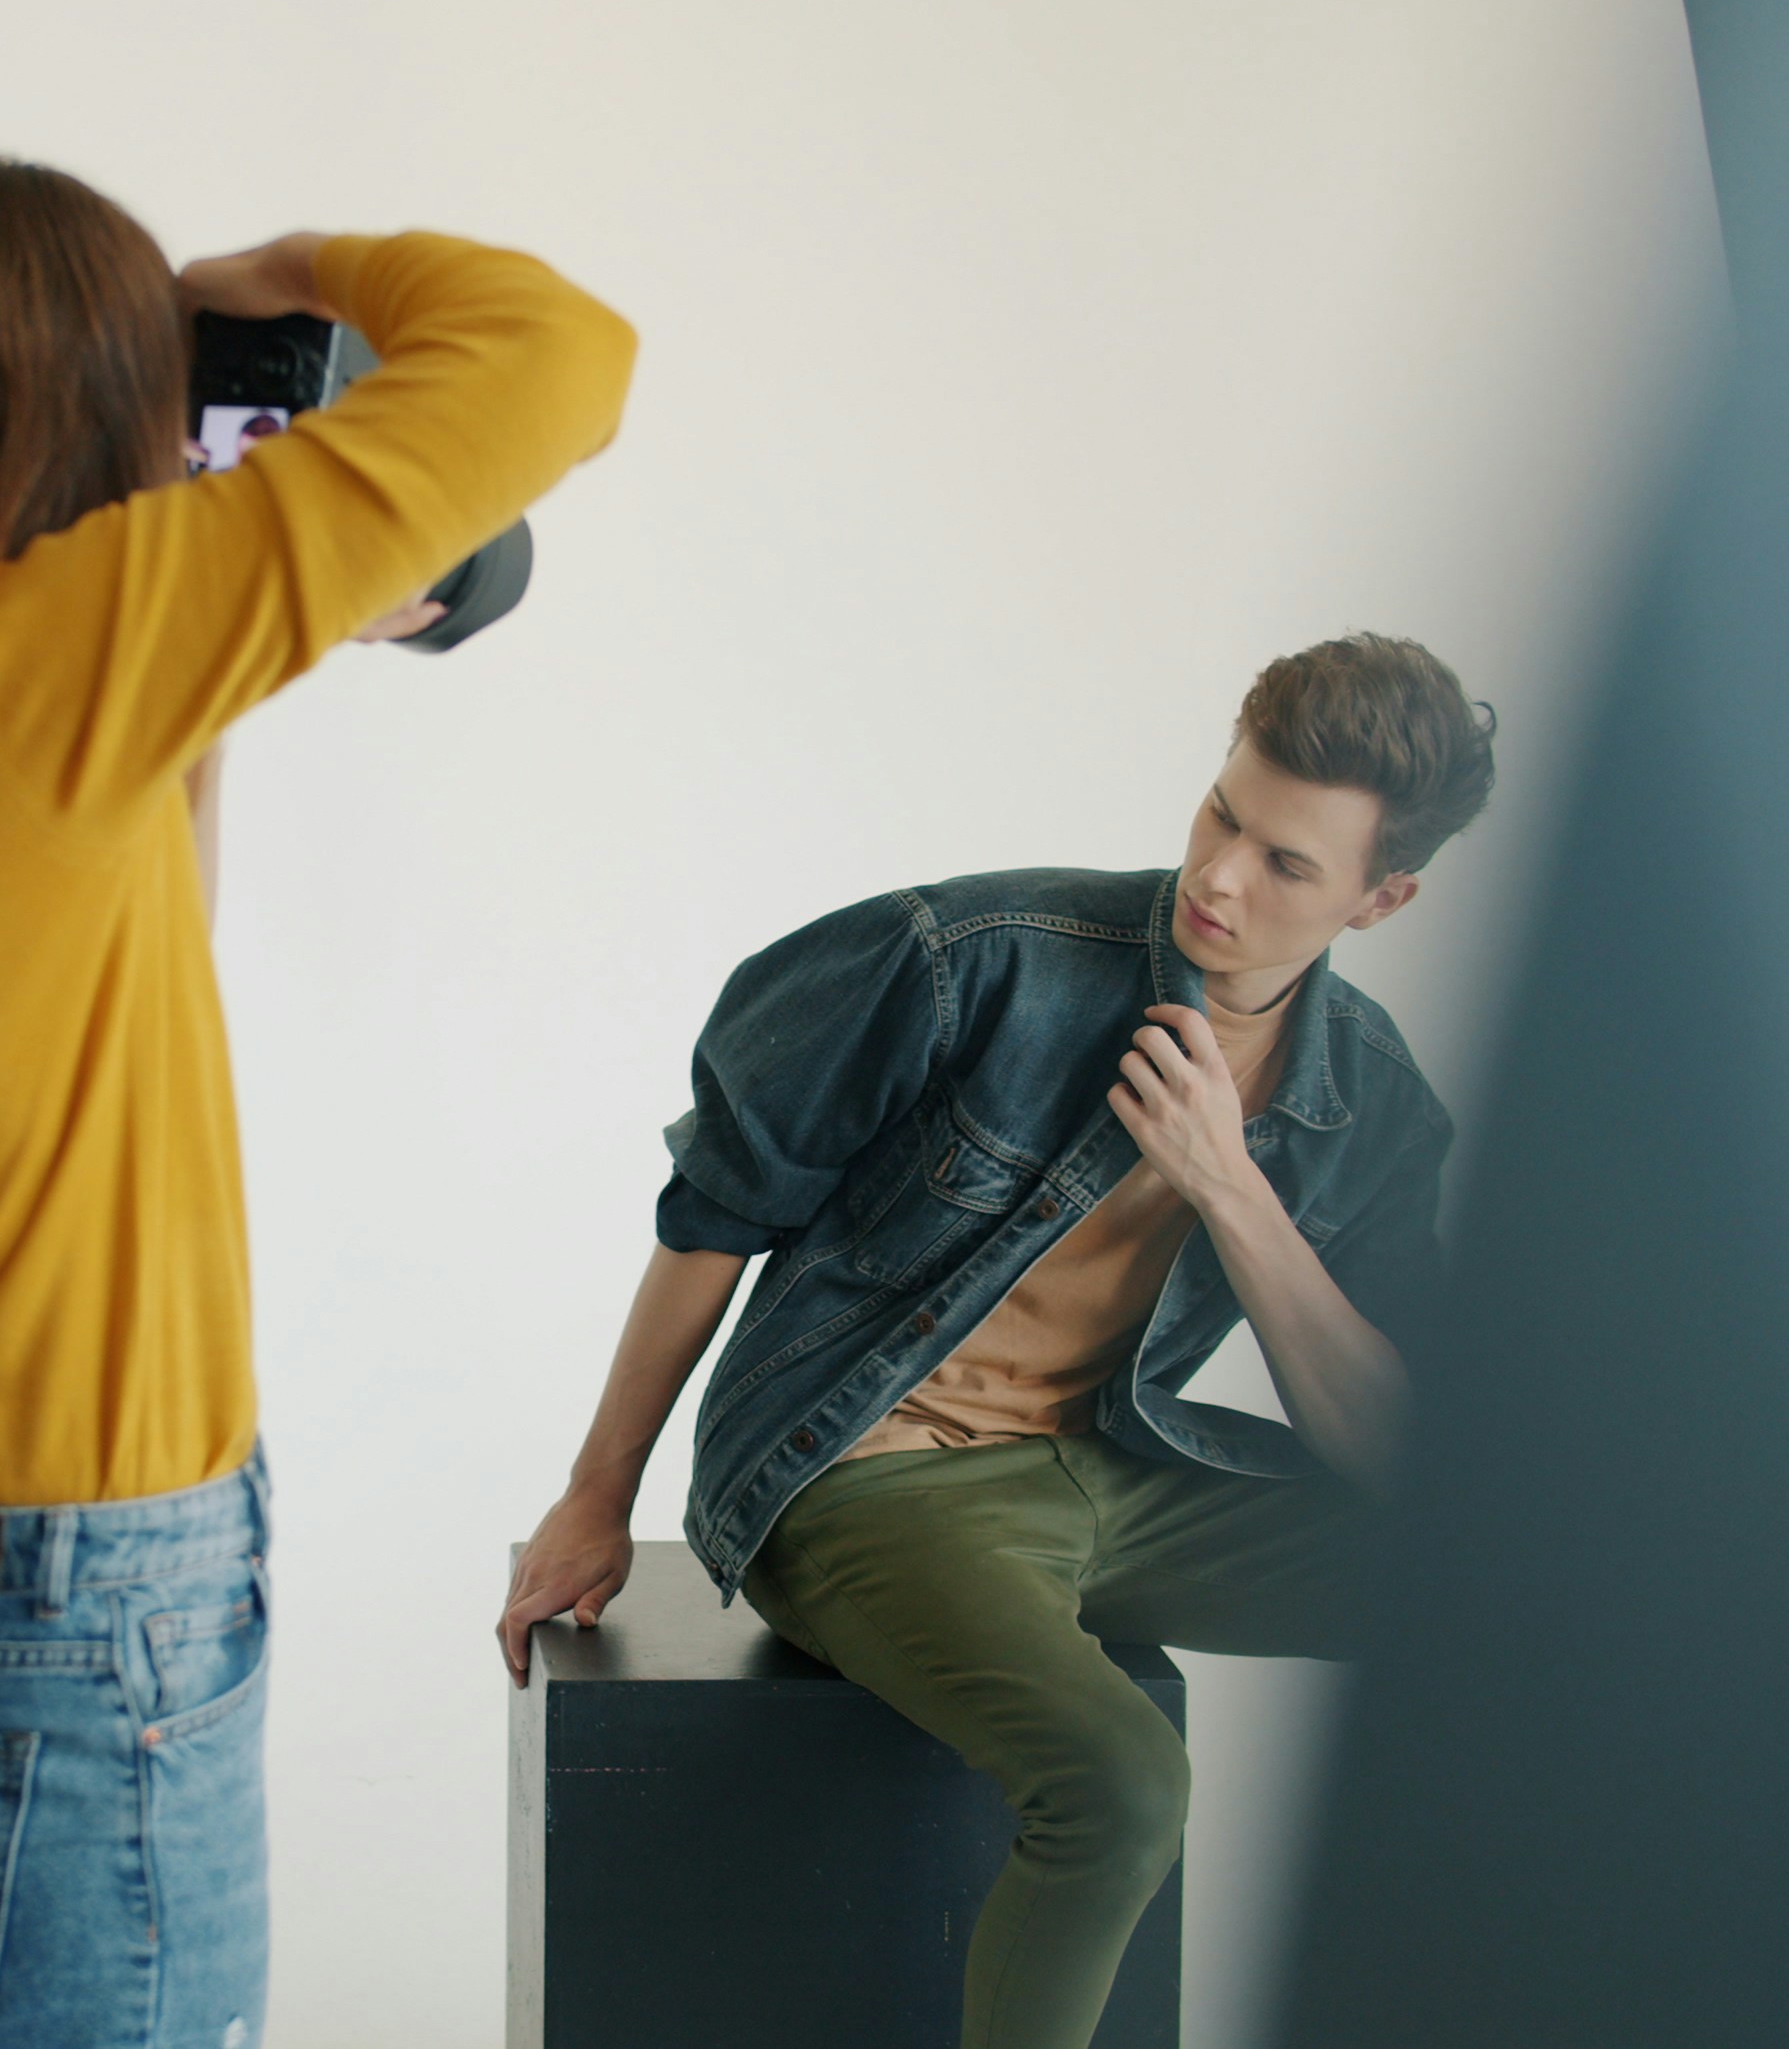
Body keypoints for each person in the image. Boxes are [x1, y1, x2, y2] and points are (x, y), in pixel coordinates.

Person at [0, 156, 636, 2049]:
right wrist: (283, 269)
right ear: (93, 401)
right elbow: (562, 350)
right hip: (71, 1659)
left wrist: (210, 663)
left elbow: (98, 953)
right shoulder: (48, 654)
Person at [498, 634, 1493, 2049]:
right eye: (1224, 814)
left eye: (1287, 865)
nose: (1217, 877)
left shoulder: (1371, 1098)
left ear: (1383, 899)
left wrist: (1229, 1184)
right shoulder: (980, 960)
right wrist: (599, 1492)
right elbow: (716, 1208)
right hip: (866, 1472)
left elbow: (1399, 1447)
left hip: (1105, 1473)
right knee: (1126, 1789)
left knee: (1522, 1591)